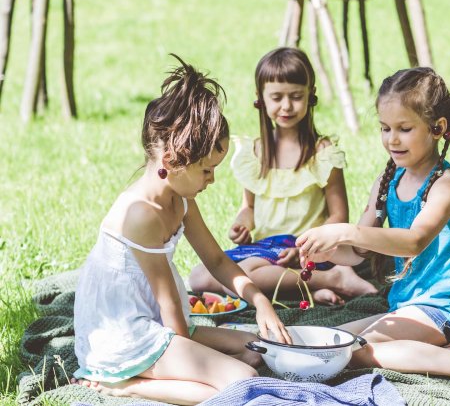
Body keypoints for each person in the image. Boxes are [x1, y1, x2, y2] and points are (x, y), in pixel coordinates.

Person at [72, 56, 290, 405]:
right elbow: (170, 307)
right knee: (243, 378)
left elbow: (217, 260)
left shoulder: (182, 197)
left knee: (257, 351)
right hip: (126, 335)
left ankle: (167, 376)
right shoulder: (141, 215)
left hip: (156, 322)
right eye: (206, 170)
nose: (212, 179)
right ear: (173, 161)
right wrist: (199, 357)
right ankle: (123, 384)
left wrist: (260, 300)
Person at [295, 67, 450, 393]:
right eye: (385, 128)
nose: (391, 139)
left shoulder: (449, 185)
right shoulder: (388, 182)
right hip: (409, 305)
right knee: (332, 340)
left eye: (404, 128)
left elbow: (414, 242)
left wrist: (345, 231)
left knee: (351, 351)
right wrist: (326, 249)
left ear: (437, 128)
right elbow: (357, 252)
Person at [189, 47, 376, 305]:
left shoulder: (322, 154)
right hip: (265, 248)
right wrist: (242, 224)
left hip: (307, 249)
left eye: (296, 96)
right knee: (199, 277)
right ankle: (309, 290)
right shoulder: (254, 153)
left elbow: (338, 216)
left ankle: (332, 278)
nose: (286, 106)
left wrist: (310, 245)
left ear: (310, 95)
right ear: (261, 98)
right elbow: (249, 207)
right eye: (276, 97)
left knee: (242, 276)